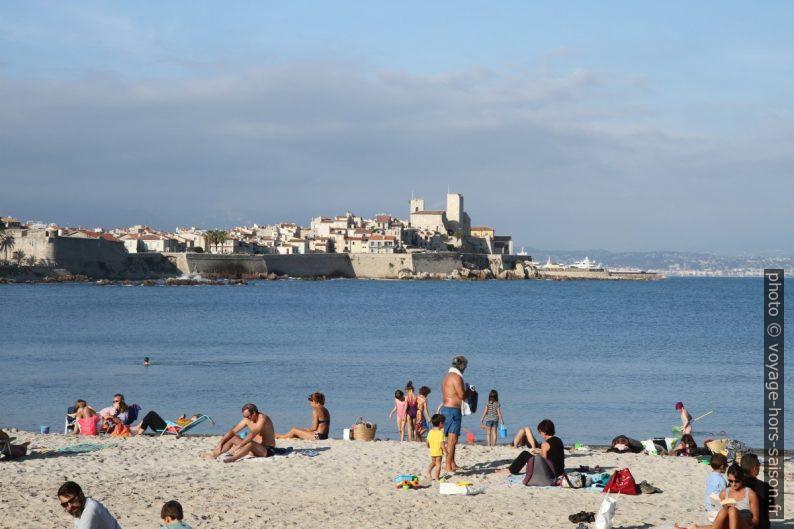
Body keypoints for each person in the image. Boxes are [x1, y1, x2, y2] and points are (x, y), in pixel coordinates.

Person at [676, 463, 759, 529]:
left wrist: (741, 518)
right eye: (730, 481)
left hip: (744, 525)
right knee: (723, 511)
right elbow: (718, 517)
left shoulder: (750, 494)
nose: (733, 484)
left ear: (742, 479)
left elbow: (756, 521)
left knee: (732, 510)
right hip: (727, 525)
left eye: (736, 481)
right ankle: (695, 527)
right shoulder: (724, 493)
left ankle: (696, 528)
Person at [202, 403, 276, 463]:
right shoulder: (247, 419)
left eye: (247, 416)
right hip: (253, 448)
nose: (246, 418)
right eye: (244, 416)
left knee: (250, 444)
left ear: (253, 413)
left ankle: (233, 458)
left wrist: (239, 446)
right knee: (233, 437)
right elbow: (233, 431)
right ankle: (214, 454)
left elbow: (253, 433)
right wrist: (221, 442)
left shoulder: (262, 418)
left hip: (267, 449)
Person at [440, 355, 471, 472]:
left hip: (446, 409)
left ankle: (452, 463)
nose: (465, 369)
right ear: (462, 366)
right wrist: (470, 391)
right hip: (453, 410)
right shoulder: (457, 377)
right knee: (452, 440)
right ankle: (448, 466)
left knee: (453, 439)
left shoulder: (446, 376)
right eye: (465, 367)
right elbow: (461, 395)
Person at [57, 481, 121, 529]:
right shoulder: (79, 509)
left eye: (72, 501)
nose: (69, 507)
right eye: (64, 504)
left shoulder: (90, 509)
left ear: (81, 495)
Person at [741, 453, 773, 529]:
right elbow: (770, 508)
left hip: (739, 523)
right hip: (760, 525)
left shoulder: (732, 485)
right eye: (759, 465)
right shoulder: (765, 487)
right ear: (755, 468)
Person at [133, 412, 201, 436]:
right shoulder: (188, 421)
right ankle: (139, 431)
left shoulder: (190, 421)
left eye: (194, 416)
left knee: (151, 413)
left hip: (165, 428)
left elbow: (178, 426)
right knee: (149, 417)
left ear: (195, 418)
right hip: (164, 428)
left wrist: (181, 419)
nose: (192, 416)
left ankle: (139, 431)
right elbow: (179, 424)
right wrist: (181, 419)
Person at [705, 454, 728, 522]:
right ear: (722, 466)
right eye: (726, 465)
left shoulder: (709, 477)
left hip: (709, 507)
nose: (727, 467)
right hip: (717, 510)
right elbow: (724, 495)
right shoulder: (721, 480)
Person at [424, 414, 446, 480]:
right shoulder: (440, 433)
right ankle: (436, 477)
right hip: (438, 451)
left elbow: (427, 442)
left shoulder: (430, 431)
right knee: (438, 464)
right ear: (440, 423)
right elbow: (442, 444)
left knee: (433, 462)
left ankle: (428, 471)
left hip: (432, 451)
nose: (444, 424)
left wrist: (428, 446)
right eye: (443, 423)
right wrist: (446, 451)